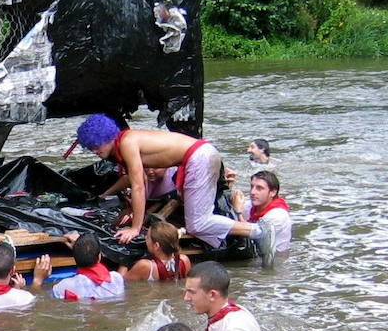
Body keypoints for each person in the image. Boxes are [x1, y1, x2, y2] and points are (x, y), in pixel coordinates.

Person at [75, 114, 277, 266]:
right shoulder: (127, 140)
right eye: (91, 148)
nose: (95, 151)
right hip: (201, 155)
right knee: (197, 221)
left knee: (198, 223)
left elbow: (137, 186)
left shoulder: (127, 142)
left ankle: (259, 231)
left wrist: (135, 228)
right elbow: (138, 181)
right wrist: (117, 202)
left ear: (107, 137)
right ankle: (257, 232)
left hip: (199, 158)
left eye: (96, 146)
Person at [35, 234, 126, 302]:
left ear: (74, 259)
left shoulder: (65, 286)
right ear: (99, 257)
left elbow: (41, 300)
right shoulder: (116, 278)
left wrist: (37, 280)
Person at [231, 170, 292, 253]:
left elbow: (250, 234)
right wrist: (228, 186)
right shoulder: (251, 205)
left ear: (273, 192)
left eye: (259, 188)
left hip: (275, 257)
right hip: (255, 251)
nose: (252, 192)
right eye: (252, 187)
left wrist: (238, 212)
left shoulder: (278, 216)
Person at [121, 220, 192, 284]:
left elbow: (121, 283)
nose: (145, 239)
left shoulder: (145, 266)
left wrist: (124, 259)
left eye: (147, 237)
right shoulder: (184, 260)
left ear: (156, 246)